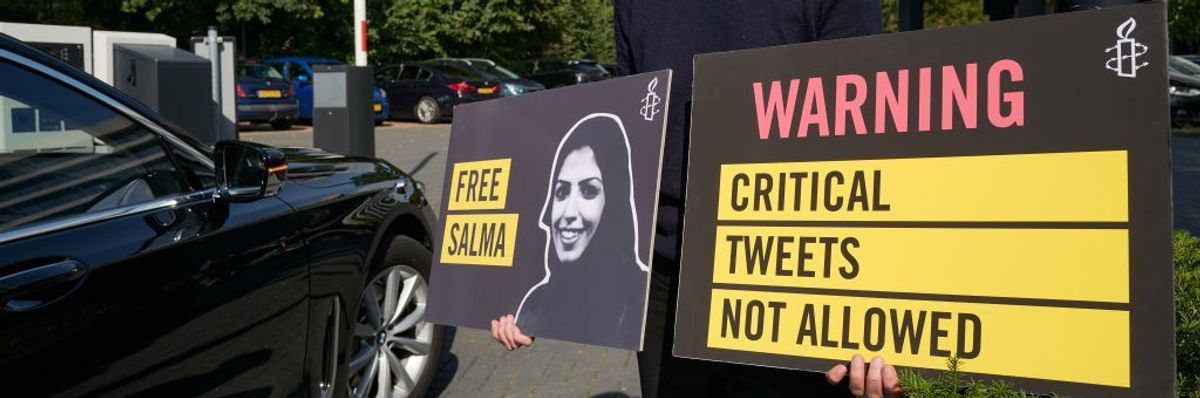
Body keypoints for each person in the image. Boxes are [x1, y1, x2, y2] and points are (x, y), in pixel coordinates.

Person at [496, 1, 899, 396]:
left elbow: (861, 132)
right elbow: (632, 136)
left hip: (789, 286)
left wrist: (878, 314)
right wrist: (534, 289)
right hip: (665, 286)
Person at [492, 114, 650, 350]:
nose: (568, 212)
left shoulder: (641, 298)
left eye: (588, 191)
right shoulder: (538, 301)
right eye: (561, 192)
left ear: (615, 201)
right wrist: (513, 326)